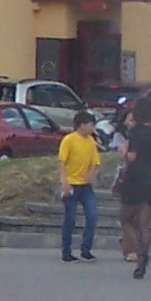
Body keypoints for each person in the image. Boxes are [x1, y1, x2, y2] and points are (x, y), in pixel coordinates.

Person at [115, 91, 151, 278]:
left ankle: (140, 254)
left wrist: (123, 153)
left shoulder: (136, 132)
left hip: (135, 177)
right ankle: (144, 252)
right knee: (144, 223)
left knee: (126, 219)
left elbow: (132, 156)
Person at [56, 109, 101, 262]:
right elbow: (62, 161)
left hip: (85, 185)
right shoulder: (69, 140)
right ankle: (66, 251)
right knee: (70, 218)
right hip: (72, 183)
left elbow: (95, 162)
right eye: (90, 124)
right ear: (81, 125)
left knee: (92, 215)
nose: (92, 127)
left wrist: (91, 174)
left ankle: (86, 249)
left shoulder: (90, 141)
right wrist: (64, 181)